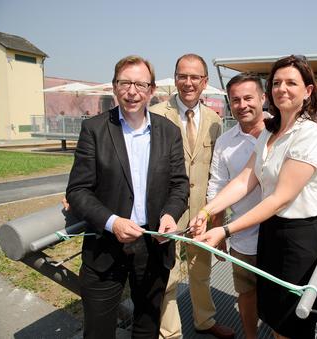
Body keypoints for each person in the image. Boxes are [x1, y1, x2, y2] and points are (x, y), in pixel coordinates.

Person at [191, 55, 317, 339]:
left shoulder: (310, 133)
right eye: (277, 82)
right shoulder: (270, 132)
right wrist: (207, 212)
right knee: (277, 318)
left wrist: (225, 229)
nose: (283, 88)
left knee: (292, 324)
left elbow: (279, 198)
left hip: (299, 238)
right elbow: (245, 179)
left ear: (308, 90)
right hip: (273, 232)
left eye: (292, 82)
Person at [65, 55, 189, 338]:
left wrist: (170, 215)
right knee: (98, 330)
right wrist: (111, 222)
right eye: (125, 83)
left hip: (153, 244)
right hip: (105, 246)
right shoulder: (94, 130)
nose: (132, 91)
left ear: (151, 90)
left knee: (147, 326)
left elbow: (180, 185)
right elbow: (78, 190)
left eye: (140, 84)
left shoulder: (168, 132)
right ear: (114, 87)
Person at [149, 54, 233, 339]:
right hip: (167, 209)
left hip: (202, 210)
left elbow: (219, 172)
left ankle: (205, 321)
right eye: (182, 76)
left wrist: (217, 215)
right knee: (168, 274)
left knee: (201, 269)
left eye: (194, 77)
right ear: (175, 79)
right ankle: (169, 333)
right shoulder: (156, 114)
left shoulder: (214, 120)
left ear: (204, 82)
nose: (188, 82)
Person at [207, 73, 266, 339]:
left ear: (263, 98)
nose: (242, 105)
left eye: (248, 98)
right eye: (235, 100)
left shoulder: (280, 133)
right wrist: (217, 228)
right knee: (245, 292)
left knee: (280, 297)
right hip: (240, 236)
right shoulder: (225, 142)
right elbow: (216, 187)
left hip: (280, 234)